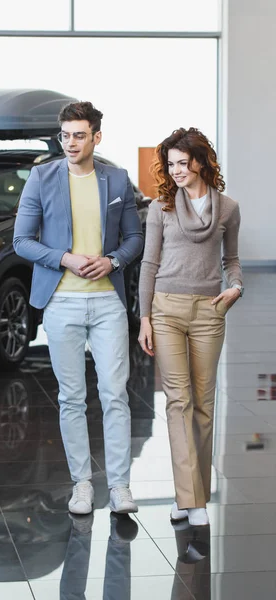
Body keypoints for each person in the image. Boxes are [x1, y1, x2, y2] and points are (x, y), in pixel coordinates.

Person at [13, 101, 144, 514]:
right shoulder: (41, 177)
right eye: (65, 135)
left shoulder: (117, 179)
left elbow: (134, 239)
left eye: (79, 135)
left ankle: (120, 486)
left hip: (107, 301)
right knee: (71, 398)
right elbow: (22, 240)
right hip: (62, 302)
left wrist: (113, 260)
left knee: (115, 395)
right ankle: (82, 484)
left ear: (96, 137)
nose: (70, 143)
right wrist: (65, 258)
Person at [138, 127, 243, 527]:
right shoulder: (160, 208)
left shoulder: (229, 209)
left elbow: (231, 260)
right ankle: (191, 498)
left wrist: (236, 288)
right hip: (166, 310)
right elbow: (149, 264)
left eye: (183, 163)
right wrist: (145, 317)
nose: (177, 171)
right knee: (177, 401)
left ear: (200, 162)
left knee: (204, 404)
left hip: (210, 311)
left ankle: (190, 495)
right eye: (171, 164)